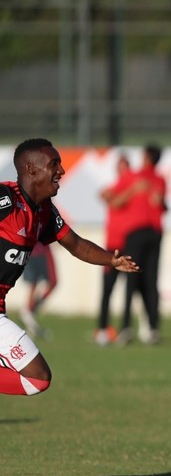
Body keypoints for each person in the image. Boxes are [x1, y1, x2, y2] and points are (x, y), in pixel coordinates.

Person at [0, 138, 139, 397]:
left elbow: (76, 245)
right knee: (37, 378)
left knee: (38, 379)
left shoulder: (43, 211)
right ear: (31, 169)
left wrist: (111, 260)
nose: (61, 171)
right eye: (54, 164)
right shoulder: (5, 199)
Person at [113, 143, 167, 345]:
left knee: (148, 280)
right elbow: (115, 200)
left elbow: (159, 203)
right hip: (139, 233)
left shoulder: (157, 179)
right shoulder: (135, 178)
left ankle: (147, 328)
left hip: (149, 232)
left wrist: (150, 192)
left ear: (147, 157)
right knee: (136, 279)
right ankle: (132, 327)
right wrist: (134, 190)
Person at [94, 153, 132, 346]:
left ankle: (126, 328)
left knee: (131, 290)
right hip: (113, 247)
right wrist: (130, 191)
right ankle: (102, 328)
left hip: (130, 246)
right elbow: (107, 197)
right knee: (107, 289)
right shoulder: (120, 188)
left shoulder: (133, 188)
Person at [20, 242, 58, 338]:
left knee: (43, 283)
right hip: (36, 248)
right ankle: (28, 313)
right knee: (35, 282)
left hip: (36, 248)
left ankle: (28, 313)